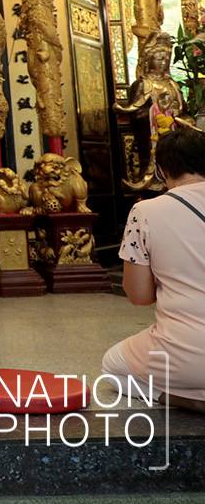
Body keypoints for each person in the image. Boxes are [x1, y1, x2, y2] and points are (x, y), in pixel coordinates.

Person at [103, 127, 205, 412]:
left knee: (112, 366)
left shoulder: (145, 211)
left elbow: (139, 296)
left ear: (160, 171)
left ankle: (190, 400)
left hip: (187, 355)